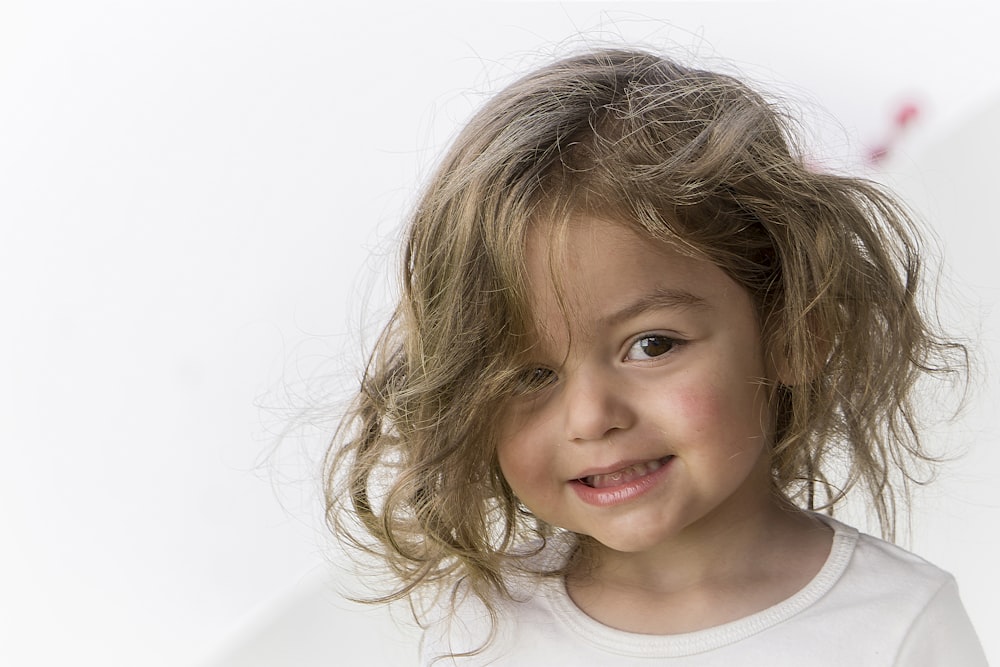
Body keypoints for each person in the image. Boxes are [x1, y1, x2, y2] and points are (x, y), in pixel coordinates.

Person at [324, 48, 987, 665]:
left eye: (652, 344)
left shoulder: (898, 624)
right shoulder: (475, 624)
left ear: (795, 331)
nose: (592, 416)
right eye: (530, 373)